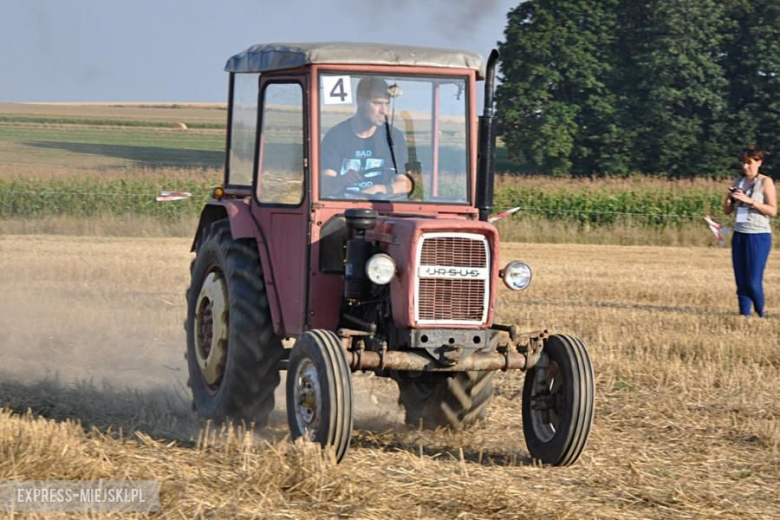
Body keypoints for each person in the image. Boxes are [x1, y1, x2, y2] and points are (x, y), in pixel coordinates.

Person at [320, 77, 411, 198]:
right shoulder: (336, 136)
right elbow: (323, 184)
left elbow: (405, 184)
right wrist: (341, 180)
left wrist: (380, 189)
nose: (384, 111)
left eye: (387, 104)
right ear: (360, 101)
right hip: (342, 210)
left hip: (380, 209)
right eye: (377, 103)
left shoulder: (394, 137)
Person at [723, 146, 777, 317]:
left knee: (753, 281)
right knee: (741, 281)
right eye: (743, 163)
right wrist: (730, 198)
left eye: (749, 163)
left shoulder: (765, 182)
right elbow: (727, 210)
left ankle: (761, 314)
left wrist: (750, 201)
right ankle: (744, 316)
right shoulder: (738, 181)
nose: (745, 167)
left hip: (758, 235)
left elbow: (772, 211)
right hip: (740, 234)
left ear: (759, 162)